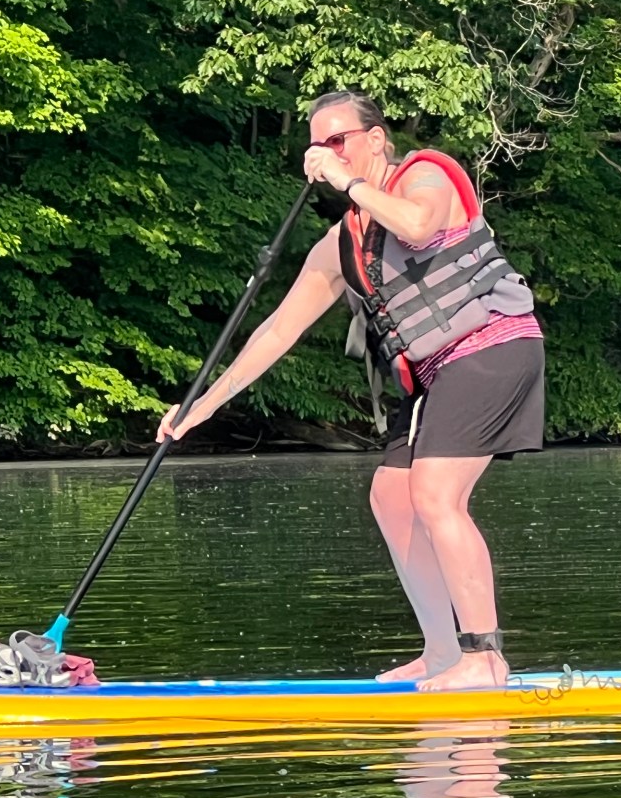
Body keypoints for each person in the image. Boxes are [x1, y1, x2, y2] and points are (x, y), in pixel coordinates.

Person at [158, 92, 545, 692]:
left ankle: (485, 657)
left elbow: (416, 225)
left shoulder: (428, 174)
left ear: (375, 140)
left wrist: (345, 181)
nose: (325, 154)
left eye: (337, 141)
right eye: (317, 146)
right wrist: (197, 408)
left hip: (493, 345)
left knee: (435, 494)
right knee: (392, 497)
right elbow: (277, 330)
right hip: (433, 374)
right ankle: (444, 653)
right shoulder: (340, 245)